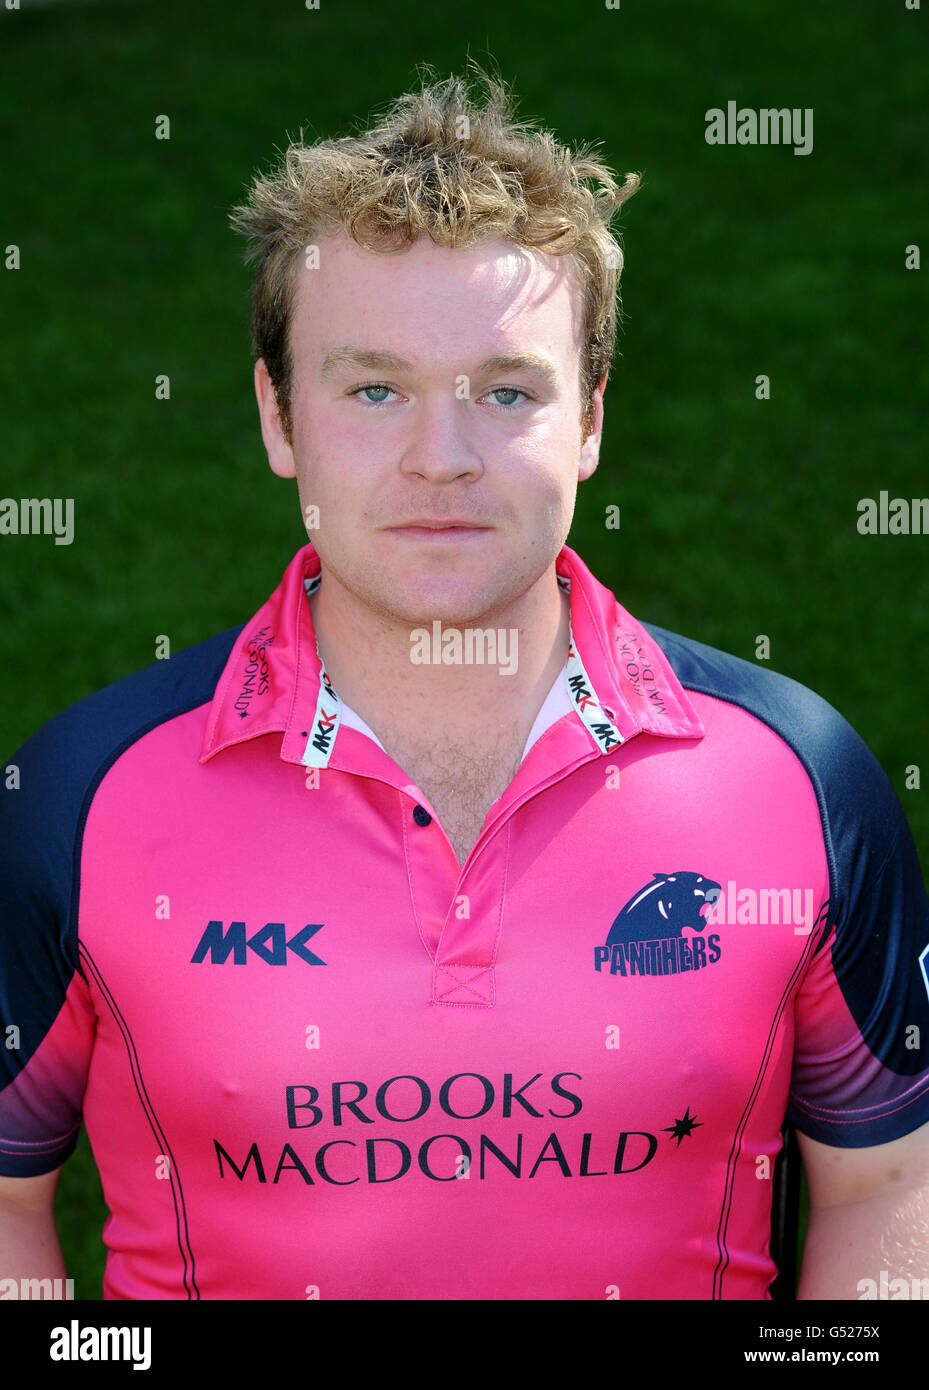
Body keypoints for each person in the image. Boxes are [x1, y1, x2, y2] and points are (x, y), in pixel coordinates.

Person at [1, 63, 928, 1302]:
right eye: (375, 389)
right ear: (280, 418)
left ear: (589, 419)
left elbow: (886, 1183)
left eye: (505, 392)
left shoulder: (798, 779)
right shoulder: (78, 793)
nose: (441, 460)